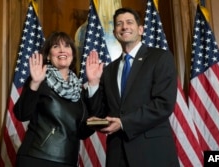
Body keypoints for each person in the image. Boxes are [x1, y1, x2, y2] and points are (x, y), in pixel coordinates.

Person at [85, 8, 180, 167]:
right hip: (118, 154)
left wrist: (123, 123)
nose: (124, 27)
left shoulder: (160, 58)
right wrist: (93, 83)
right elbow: (100, 113)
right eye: (119, 24)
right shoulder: (108, 70)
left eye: (129, 22)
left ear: (141, 29)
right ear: (115, 32)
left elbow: (163, 104)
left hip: (152, 153)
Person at [13, 31, 95, 167]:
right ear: (49, 56)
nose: (62, 50)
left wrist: (98, 122)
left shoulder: (80, 90)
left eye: (67, 46)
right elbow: (21, 114)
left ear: (73, 55)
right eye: (56, 46)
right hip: (37, 158)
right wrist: (34, 84)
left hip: (68, 160)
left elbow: (82, 132)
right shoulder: (40, 79)